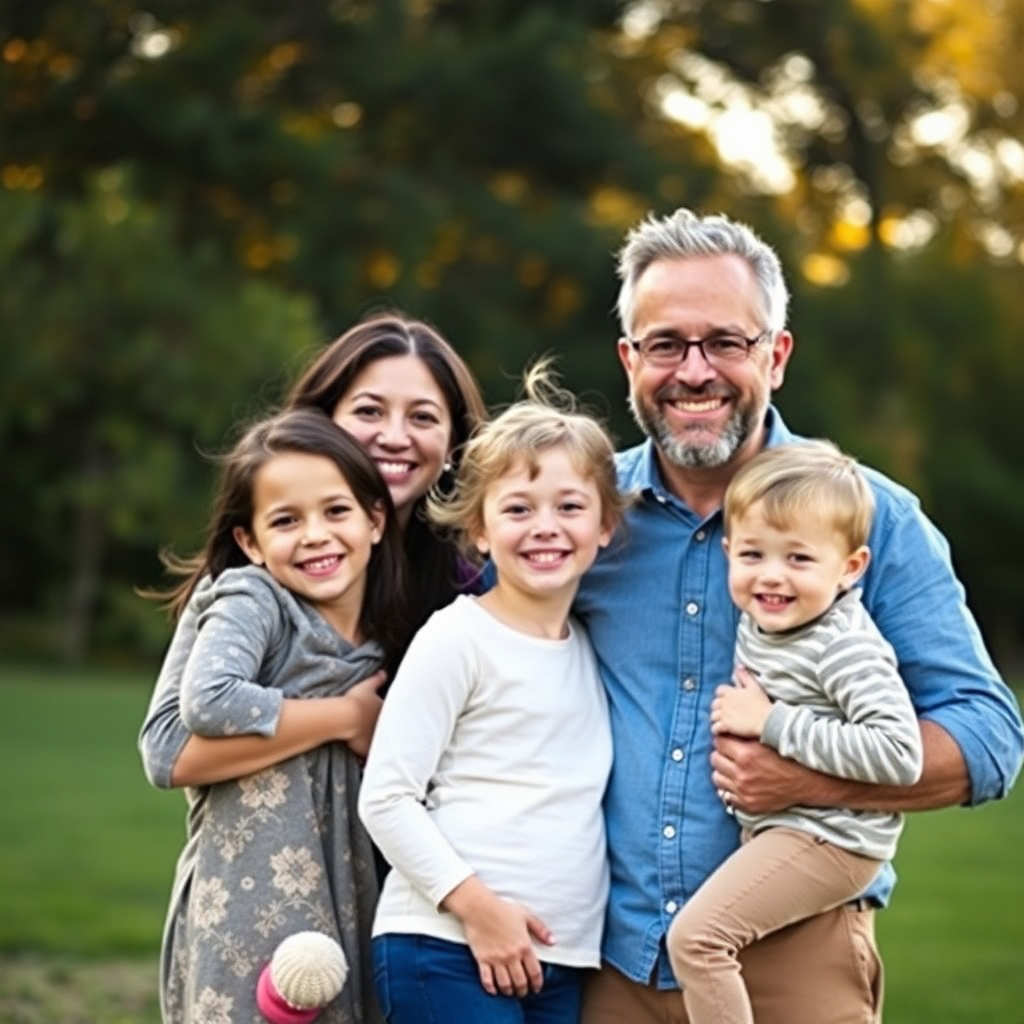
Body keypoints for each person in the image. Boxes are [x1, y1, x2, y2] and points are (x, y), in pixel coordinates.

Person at [572, 207, 1024, 1024]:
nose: (695, 370)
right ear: (629, 360)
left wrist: (809, 778)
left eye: (727, 343)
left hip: (793, 955)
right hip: (609, 962)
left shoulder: (871, 519)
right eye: (666, 344)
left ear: (775, 355)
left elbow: (989, 739)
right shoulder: (576, 516)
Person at [357, 362, 627, 1024]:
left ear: (605, 527)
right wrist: (480, 911)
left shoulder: (592, 652)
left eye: (570, 507)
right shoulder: (457, 639)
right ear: (479, 530)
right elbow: (387, 798)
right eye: (517, 508)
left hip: (558, 960)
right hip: (447, 945)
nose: (546, 526)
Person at [142, 407, 413, 1024]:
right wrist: (347, 715)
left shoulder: (389, 644)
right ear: (250, 542)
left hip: (344, 896)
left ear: (375, 520)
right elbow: (208, 701)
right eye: (286, 520)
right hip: (241, 904)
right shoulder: (253, 599)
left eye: (336, 511)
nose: (315, 534)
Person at [139, 311, 487, 792]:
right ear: (322, 422)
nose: (393, 436)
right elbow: (167, 750)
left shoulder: (471, 587)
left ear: (453, 444)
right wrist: (346, 718)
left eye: (423, 417)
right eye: (369, 411)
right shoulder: (262, 574)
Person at [666, 440, 923, 1024]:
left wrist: (771, 723)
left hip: (833, 840)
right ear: (728, 552)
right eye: (753, 555)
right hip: (786, 832)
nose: (772, 577)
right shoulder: (770, 618)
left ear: (850, 568)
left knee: (699, 942)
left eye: (799, 560)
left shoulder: (843, 645)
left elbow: (900, 753)